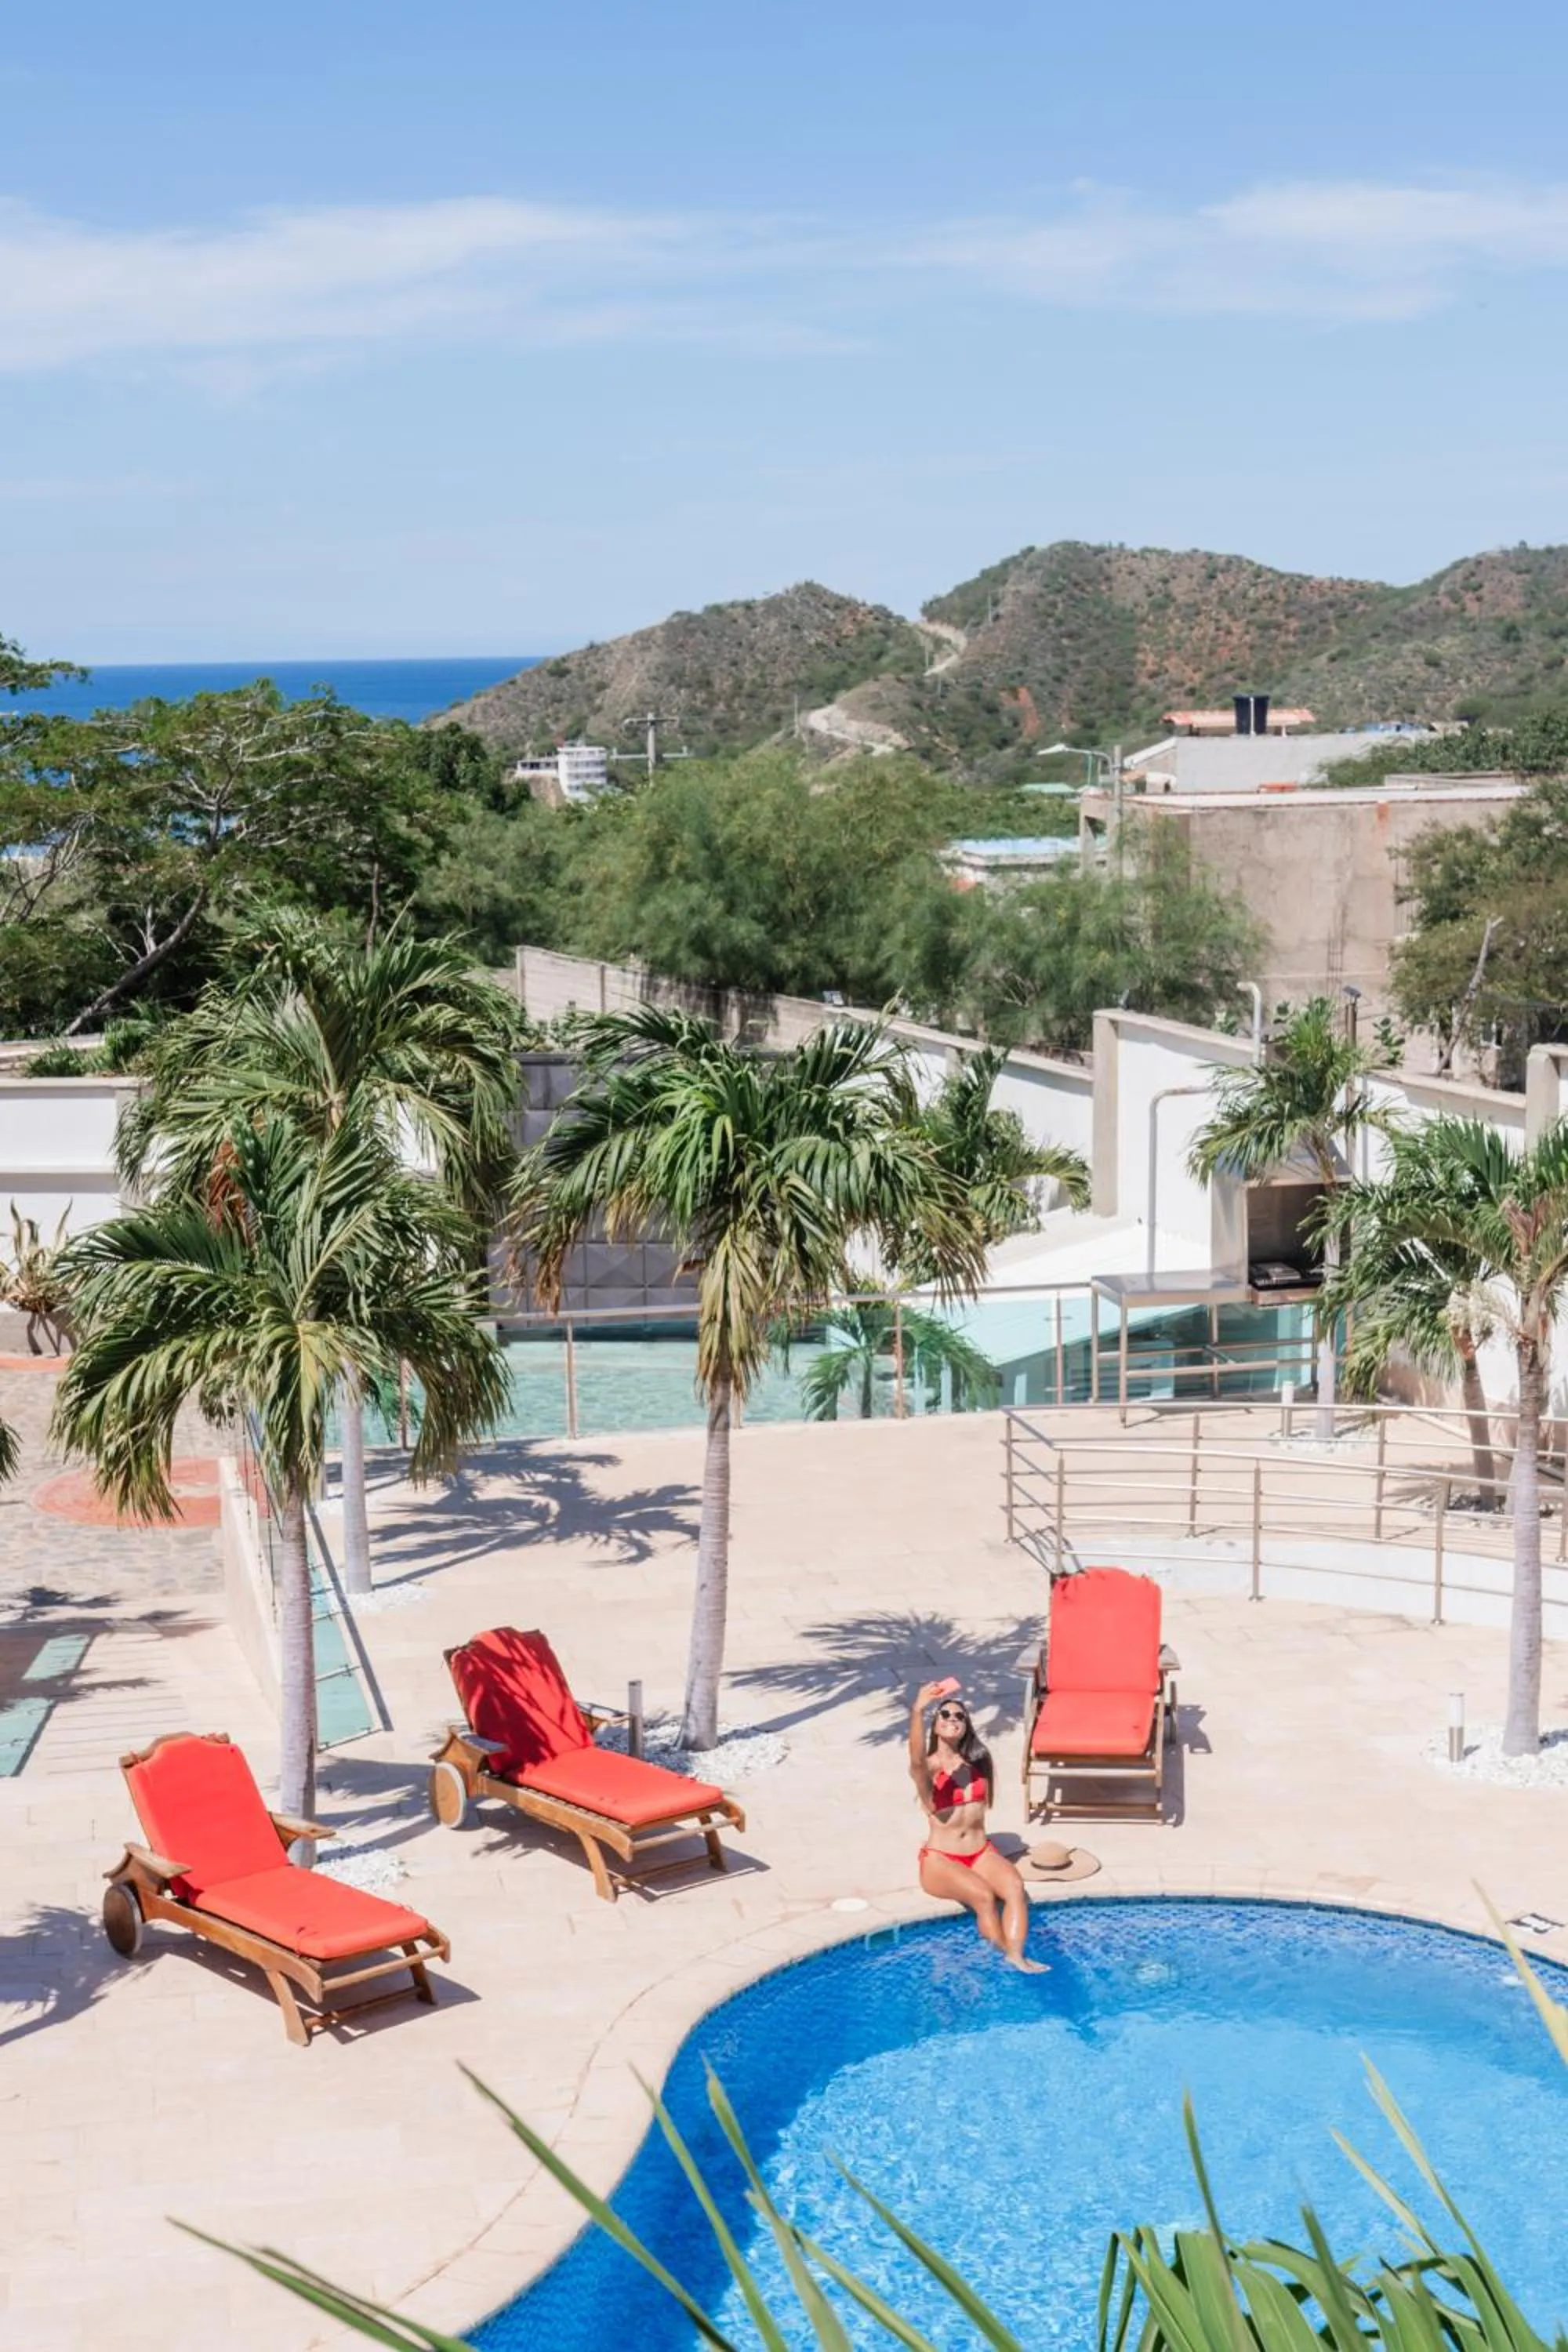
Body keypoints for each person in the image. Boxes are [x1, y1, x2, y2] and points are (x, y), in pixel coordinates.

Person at [909, 1679, 1046, 1971]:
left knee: (1014, 1887)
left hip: (981, 1852)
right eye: (945, 1715)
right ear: (936, 1725)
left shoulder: (977, 1764)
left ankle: (1016, 1955)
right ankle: (1008, 1956)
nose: (952, 1719)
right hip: (942, 1860)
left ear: (966, 1726)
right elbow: (916, 1760)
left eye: (960, 1716)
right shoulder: (929, 1769)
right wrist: (918, 1711)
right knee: (983, 1896)